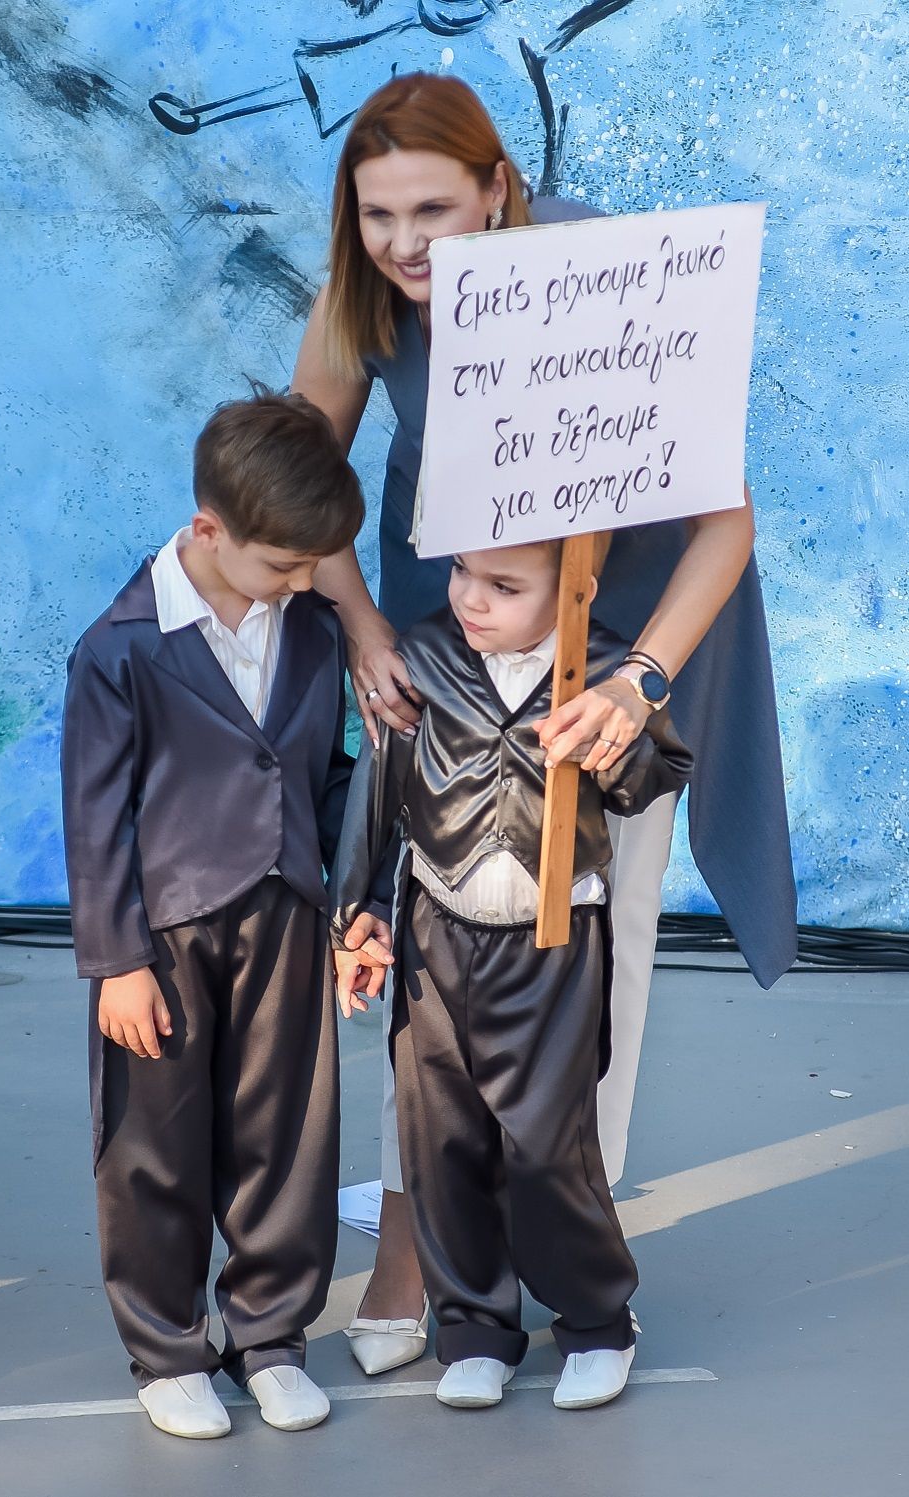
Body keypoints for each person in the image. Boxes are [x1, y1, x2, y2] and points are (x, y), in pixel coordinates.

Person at [291, 72, 796, 1371]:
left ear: (499, 189)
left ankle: (568, 1230)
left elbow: (726, 521)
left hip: (631, 639)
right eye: (378, 213)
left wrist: (641, 683)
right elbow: (297, 480)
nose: (403, 241)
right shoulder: (361, 298)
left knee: (595, 937)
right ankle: (415, 1241)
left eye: (433, 209)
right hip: (451, 630)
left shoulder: (599, 272)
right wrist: (364, 628)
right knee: (429, 933)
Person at [60, 394, 367, 1439]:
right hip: (163, 938)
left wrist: (354, 904)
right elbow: (95, 818)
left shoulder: (314, 629)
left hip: (286, 920)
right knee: (154, 1145)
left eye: (314, 566)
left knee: (287, 1137)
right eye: (284, 564)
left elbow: (327, 773)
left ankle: (271, 1336)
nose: (302, 583)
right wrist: (117, 962)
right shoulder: (120, 650)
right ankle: (167, 1348)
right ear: (208, 530)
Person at [330, 539, 693, 1409]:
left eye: (504, 584)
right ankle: (474, 1328)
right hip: (435, 937)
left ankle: (596, 1320)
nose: (471, 597)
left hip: (552, 944)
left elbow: (658, 774)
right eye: (462, 570)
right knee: (441, 1136)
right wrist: (357, 909)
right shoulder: (422, 656)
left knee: (548, 1143)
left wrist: (615, 743)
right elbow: (380, 789)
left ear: (575, 587)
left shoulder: (607, 669)